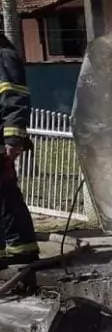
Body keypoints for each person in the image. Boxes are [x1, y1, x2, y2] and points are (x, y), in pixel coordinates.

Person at [0, 33, 38, 268]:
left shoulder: (3, 56)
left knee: (6, 199)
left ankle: (23, 252)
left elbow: (14, 98)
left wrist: (13, 138)